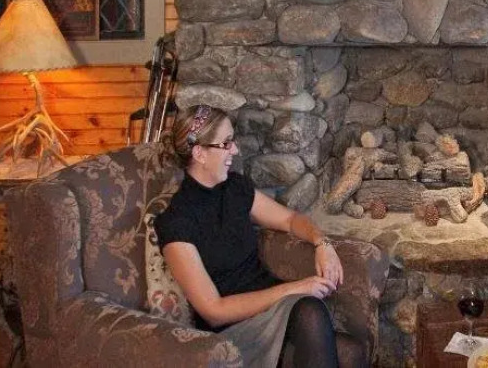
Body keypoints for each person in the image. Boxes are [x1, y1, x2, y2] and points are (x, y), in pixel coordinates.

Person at [155, 104, 367, 368]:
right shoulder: (176, 222)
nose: (235, 150)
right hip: (234, 331)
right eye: (226, 143)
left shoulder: (235, 188)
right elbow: (214, 310)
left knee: (352, 353)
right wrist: (295, 288)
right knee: (310, 311)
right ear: (199, 153)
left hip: (273, 308)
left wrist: (322, 243)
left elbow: (290, 220)